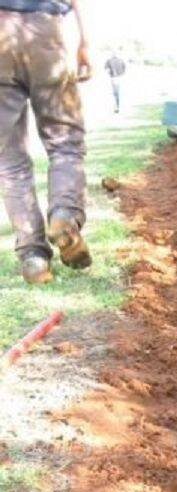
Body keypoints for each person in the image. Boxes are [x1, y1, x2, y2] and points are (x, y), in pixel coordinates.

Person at [0, 0, 92, 285]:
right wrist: (85, 43)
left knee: (9, 159)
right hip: (45, 30)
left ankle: (33, 256)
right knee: (65, 142)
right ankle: (64, 216)